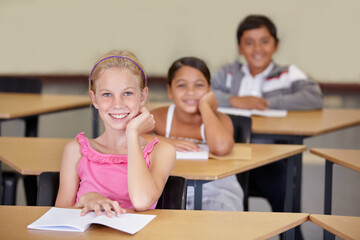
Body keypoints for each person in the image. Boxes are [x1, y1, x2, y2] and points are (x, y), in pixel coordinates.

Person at [212, 15, 322, 239]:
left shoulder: (287, 74)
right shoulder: (228, 73)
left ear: (276, 45)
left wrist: (266, 102)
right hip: (229, 156)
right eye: (249, 42)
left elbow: (313, 96)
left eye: (264, 41)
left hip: (269, 159)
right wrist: (235, 100)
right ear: (240, 47)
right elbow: (207, 94)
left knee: (282, 191)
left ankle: (291, 234)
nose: (257, 49)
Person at [55, 50, 176, 217]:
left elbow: (141, 201)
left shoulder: (161, 152)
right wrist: (88, 198)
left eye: (127, 93)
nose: (117, 104)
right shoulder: (75, 150)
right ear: (95, 99)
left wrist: (132, 133)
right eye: (107, 94)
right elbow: (59, 217)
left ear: (142, 97)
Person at [144, 57, 244, 211]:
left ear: (209, 89)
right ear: (170, 91)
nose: (190, 92)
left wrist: (205, 106)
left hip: (216, 193)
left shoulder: (219, 119)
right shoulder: (162, 116)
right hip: (171, 192)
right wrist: (167, 141)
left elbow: (221, 147)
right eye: (181, 85)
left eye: (199, 85)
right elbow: (129, 136)